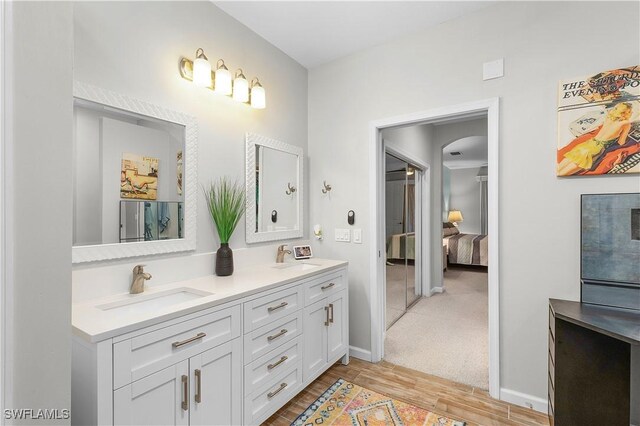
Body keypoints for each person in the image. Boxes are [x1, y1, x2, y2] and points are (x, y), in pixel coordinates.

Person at [557, 102, 634, 176]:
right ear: (626, 112)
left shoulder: (609, 116)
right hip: (595, 150)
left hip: (586, 144)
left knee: (557, 171)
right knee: (563, 174)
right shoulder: (626, 123)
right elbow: (621, 142)